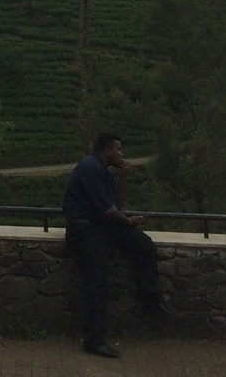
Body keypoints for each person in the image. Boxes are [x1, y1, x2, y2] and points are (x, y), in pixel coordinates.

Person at [62, 132, 166, 359]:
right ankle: (94, 340)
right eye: (118, 149)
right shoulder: (90, 166)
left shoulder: (104, 171)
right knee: (96, 282)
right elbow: (106, 209)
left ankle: (151, 297)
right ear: (107, 150)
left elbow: (115, 204)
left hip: (102, 226)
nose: (122, 154)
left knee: (143, 245)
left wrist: (123, 178)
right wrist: (128, 221)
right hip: (85, 230)